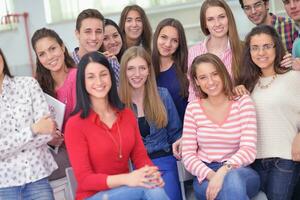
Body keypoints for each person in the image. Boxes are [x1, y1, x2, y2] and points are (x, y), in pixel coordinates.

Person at [64, 51, 169, 200]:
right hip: (94, 196)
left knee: (154, 186)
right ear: (82, 82)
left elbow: (140, 157)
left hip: (128, 191)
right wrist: (127, 179)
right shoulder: (75, 125)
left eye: (103, 74)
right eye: (91, 77)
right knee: (149, 190)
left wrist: (151, 173)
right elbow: (85, 179)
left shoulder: (126, 114)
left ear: (111, 77)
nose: (99, 82)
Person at [182, 53, 260, 200]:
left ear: (223, 73)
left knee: (233, 182)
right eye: (203, 77)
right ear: (196, 82)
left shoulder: (243, 102)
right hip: (205, 174)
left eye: (214, 74)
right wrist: (212, 175)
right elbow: (188, 155)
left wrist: (224, 170)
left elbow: (248, 149)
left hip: (240, 170)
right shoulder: (193, 109)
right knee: (227, 191)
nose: (210, 81)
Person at [237, 25, 300, 200]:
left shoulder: (293, 77)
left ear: (276, 47)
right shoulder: (246, 85)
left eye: (267, 46)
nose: (261, 53)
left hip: (286, 158)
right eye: (255, 48)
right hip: (255, 162)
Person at [119, 46, 182, 200]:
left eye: (142, 68)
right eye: (131, 69)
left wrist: (181, 143)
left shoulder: (162, 95)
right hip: (131, 169)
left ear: (149, 71)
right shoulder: (117, 103)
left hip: (164, 163)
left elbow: (176, 133)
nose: (137, 74)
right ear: (124, 72)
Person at [0, 48, 58, 199]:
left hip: (37, 178)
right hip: (4, 186)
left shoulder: (28, 85)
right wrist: (33, 129)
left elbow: (47, 132)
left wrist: (9, 144)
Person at [31, 27, 77, 182]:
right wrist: (49, 138)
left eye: (52, 48)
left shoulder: (77, 77)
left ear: (62, 47)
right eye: (42, 54)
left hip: (77, 147)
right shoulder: (38, 85)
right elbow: (36, 124)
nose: (49, 56)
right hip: (53, 147)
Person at [187, 0, 243, 102]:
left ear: (229, 18)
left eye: (221, 17)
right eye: (210, 19)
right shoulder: (194, 52)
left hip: (237, 113)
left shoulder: (243, 49)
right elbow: (193, 92)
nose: (217, 23)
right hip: (206, 114)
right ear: (205, 24)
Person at [152, 18, 189, 122]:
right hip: (158, 134)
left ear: (179, 44)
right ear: (156, 37)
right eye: (164, 37)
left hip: (185, 131)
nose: (168, 44)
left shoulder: (186, 67)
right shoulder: (145, 68)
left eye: (174, 40)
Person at [100, 18, 125, 84]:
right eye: (105, 38)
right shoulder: (99, 66)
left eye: (115, 35)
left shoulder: (129, 58)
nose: (113, 41)